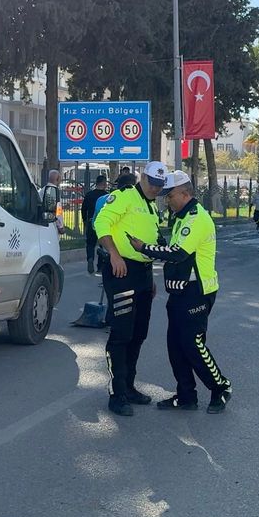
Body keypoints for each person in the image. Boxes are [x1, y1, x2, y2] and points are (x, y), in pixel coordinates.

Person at [128, 171, 232, 414]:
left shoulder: (197, 218)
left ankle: (221, 387)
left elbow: (179, 254)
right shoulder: (181, 217)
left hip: (196, 291)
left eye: (170, 195)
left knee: (193, 344)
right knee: (175, 346)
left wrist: (145, 248)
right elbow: (174, 249)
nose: (167, 200)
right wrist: (156, 244)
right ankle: (186, 395)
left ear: (186, 194)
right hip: (179, 292)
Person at [93, 161, 169, 416]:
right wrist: (114, 254)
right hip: (121, 272)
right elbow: (101, 224)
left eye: (161, 186)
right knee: (122, 333)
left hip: (143, 276)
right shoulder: (123, 197)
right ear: (143, 178)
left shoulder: (150, 206)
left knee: (139, 333)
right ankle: (117, 394)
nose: (157, 189)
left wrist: (150, 278)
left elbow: (147, 239)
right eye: (153, 184)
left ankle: (129, 386)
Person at [80, 175, 109, 275]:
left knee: (90, 244)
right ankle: (100, 266)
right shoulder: (107, 196)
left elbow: (84, 209)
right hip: (103, 224)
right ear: (104, 184)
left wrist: (85, 221)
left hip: (91, 222)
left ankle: (90, 259)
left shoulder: (89, 195)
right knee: (103, 245)